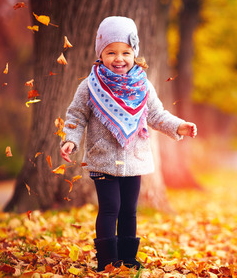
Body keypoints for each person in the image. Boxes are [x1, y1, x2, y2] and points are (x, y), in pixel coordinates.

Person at [60, 16, 197, 272]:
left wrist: (178, 126)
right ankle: (107, 259)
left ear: (135, 54)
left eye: (125, 52)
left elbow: (156, 115)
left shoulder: (142, 85)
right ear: (100, 54)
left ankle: (127, 257)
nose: (119, 58)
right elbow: (76, 115)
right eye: (111, 52)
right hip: (103, 159)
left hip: (134, 158)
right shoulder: (90, 85)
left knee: (129, 211)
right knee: (110, 208)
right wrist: (70, 140)